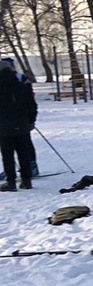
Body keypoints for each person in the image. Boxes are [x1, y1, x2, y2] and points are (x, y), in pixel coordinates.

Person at [0, 57, 37, 191]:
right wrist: (31, 120)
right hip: (22, 124)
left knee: (7, 156)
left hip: (3, 126)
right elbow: (31, 104)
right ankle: (26, 181)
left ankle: (11, 182)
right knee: (24, 153)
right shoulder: (22, 84)